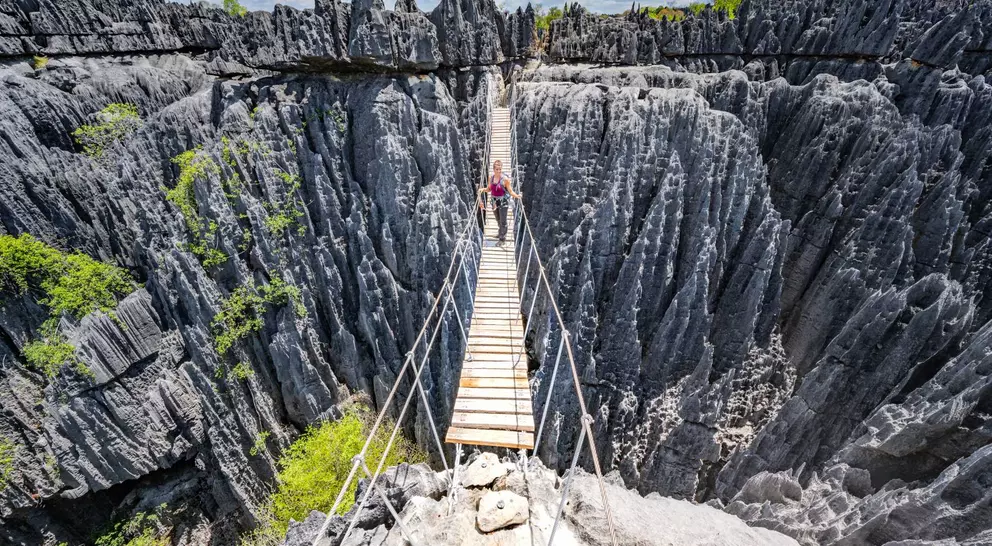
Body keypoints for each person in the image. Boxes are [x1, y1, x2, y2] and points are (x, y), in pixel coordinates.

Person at [478, 160, 521, 245]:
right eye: (497, 169)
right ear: (493, 169)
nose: (498, 171)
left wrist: (517, 196)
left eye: (500, 169)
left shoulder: (505, 180)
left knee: (503, 221)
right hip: (494, 202)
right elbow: (489, 189)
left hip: (503, 202)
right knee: (498, 219)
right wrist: (482, 190)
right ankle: (500, 232)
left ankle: (502, 239)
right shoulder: (491, 178)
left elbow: (510, 191)